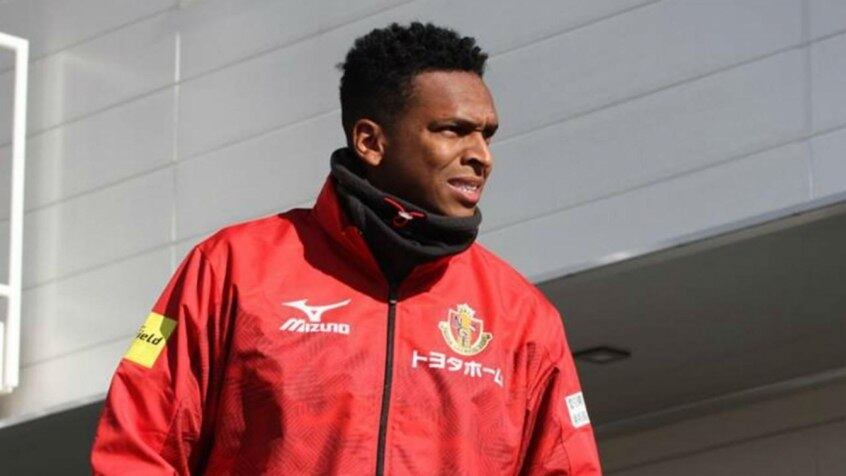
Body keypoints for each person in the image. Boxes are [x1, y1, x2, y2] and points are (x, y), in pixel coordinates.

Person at [91, 22, 602, 475]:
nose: (481, 156)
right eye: (453, 131)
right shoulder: (230, 268)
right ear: (370, 142)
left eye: (487, 135)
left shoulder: (523, 318)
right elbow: (138, 444)